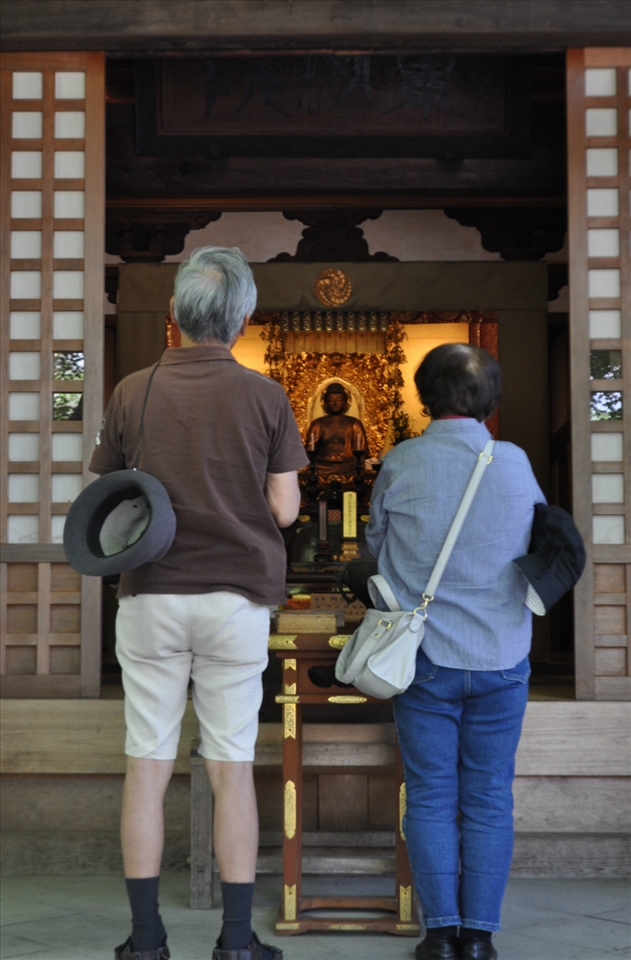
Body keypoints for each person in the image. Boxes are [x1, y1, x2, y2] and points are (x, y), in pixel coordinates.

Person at [90, 246, 308, 960]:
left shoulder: (132, 390)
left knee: (146, 764)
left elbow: (110, 497)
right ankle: (236, 942)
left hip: (152, 592)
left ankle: (146, 940)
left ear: (175, 316)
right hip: (235, 598)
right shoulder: (266, 395)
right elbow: (282, 510)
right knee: (230, 766)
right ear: (243, 318)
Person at [366, 343, 544, 960]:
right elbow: (538, 539)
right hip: (501, 654)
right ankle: (480, 938)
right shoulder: (516, 462)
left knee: (432, 791)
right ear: (490, 398)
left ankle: (439, 933)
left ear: (424, 394)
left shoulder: (401, 460)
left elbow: (376, 542)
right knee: (491, 792)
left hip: (427, 658)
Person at [306, 382, 368, 477]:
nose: (335, 403)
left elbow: (362, 451)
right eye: (331, 400)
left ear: (345, 402)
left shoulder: (354, 424)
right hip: (323, 466)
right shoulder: (318, 424)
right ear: (325, 402)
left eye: (339, 400)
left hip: (347, 465)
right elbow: (309, 450)